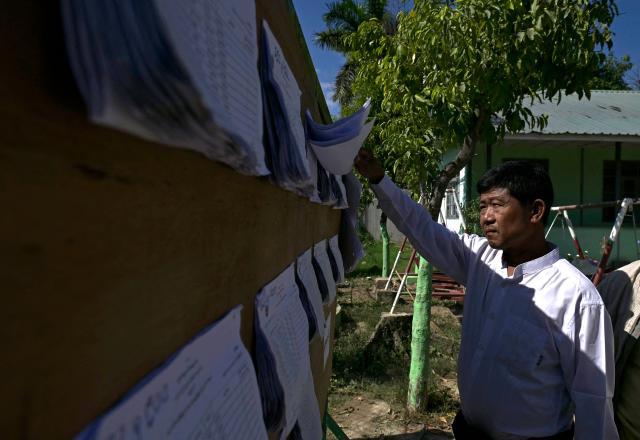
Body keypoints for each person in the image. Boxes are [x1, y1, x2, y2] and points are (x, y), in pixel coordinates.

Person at [354, 150, 618, 440]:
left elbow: (593, 401)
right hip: (468, 432)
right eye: (482, 207)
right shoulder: (481, 260)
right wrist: (379, 179)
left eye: (497, 205)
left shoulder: (576, 296)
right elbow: (422, 229)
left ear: (535, 211)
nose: (487, 217)